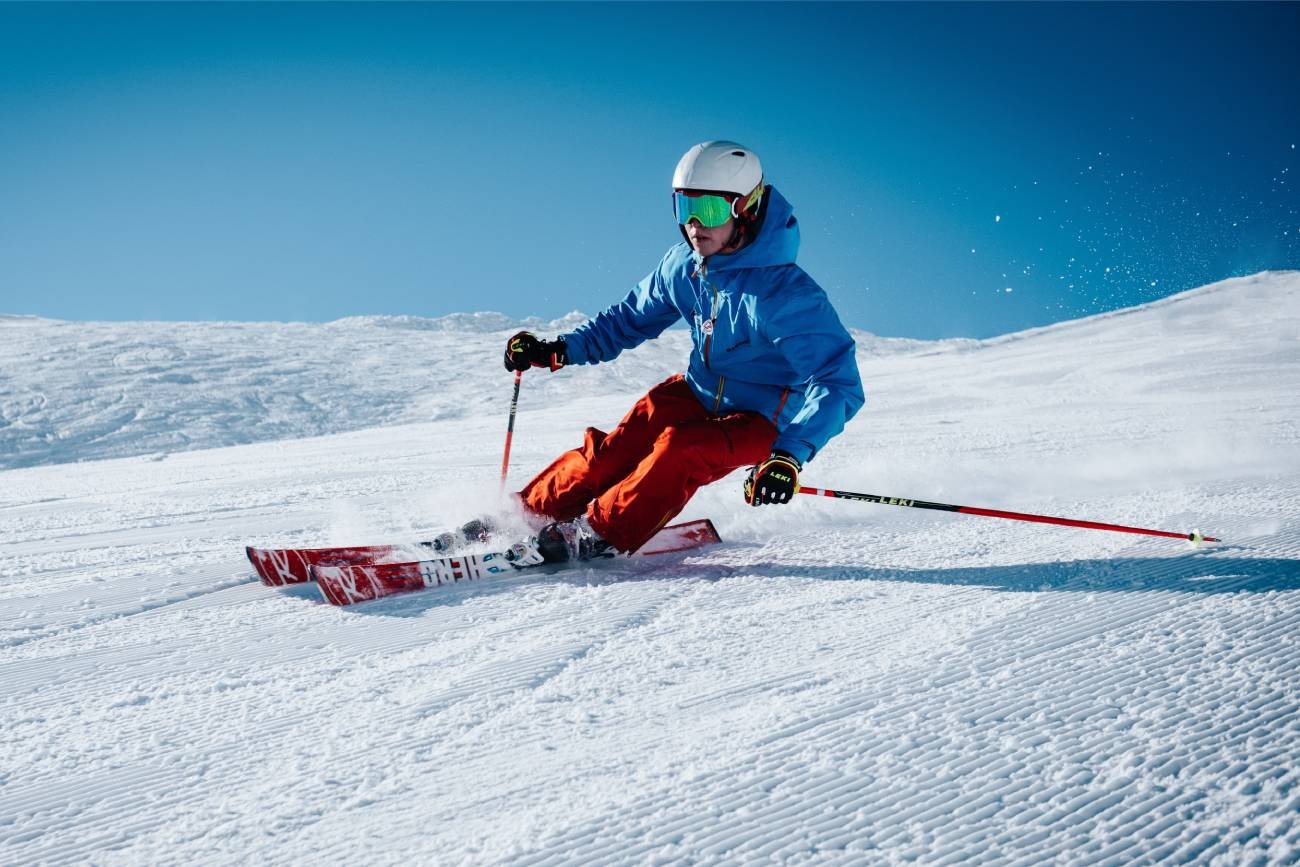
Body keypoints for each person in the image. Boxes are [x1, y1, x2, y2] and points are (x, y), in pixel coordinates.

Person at [503, 140, 864, 563]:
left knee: (682, 448)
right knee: (611, 455)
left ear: (745, 208)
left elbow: (837, 383)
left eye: (708, 210)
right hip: (695, 391)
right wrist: (558, 349)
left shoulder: (785, 295)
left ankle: (595, 533)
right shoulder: (684, 265)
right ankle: (522, 514)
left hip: (764, 418)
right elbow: (627, 320)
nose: (694, 225)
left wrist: (789, 455)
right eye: (683, 208)